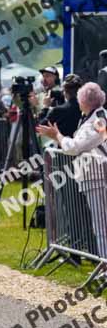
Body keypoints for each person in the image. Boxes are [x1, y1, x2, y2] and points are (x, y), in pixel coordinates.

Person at [38, 82, 107, 258]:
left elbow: (75, 147)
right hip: (95, 174)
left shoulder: (98, 120)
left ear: (84, 101)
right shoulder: (97, 115)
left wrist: (58, 136)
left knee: (100, 225)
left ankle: (105, 265)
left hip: (95, 176)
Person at [46, 74, 84, 139]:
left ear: (64, 92)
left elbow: (40, 127)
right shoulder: (87, 107)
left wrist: (46, 107)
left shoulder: (58, 110)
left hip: (64, 146)